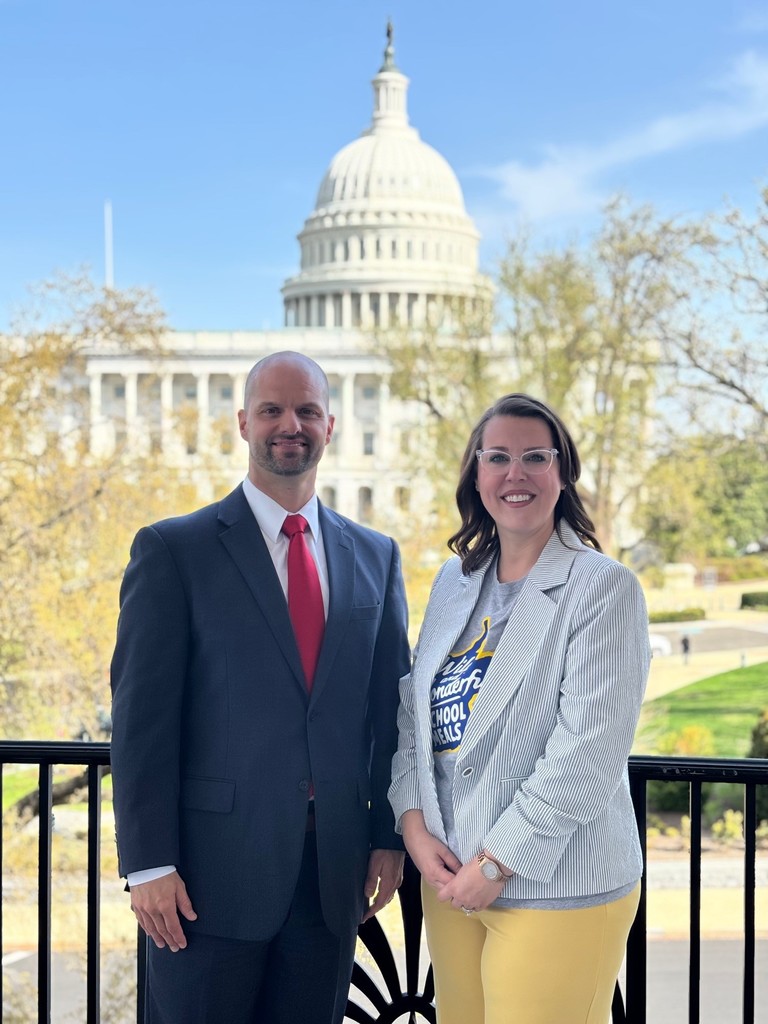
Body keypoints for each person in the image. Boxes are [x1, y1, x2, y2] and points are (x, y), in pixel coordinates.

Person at [110, 351, 410, 1024]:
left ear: (330, 424)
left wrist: (387, 835)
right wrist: (147, 863)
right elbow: (140, 724)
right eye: (272, 410)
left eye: (306, 411)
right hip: (204, 881)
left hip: (331, 878)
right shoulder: (173, 551)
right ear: (244, 422)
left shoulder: (376, 556)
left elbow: (391, 714)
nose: (289, 425)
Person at [389, 393, 651, 1024]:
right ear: (475, 476)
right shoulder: (456, 582)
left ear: (563, 473)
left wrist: (498, 860)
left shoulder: (603, 588)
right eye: (498, 457)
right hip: (452, 878)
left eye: (536, 457)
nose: (516, 474)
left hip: (555, 883)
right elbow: (412, 711)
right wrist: (412, 821)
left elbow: (587, 751)